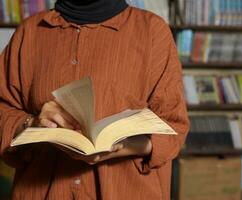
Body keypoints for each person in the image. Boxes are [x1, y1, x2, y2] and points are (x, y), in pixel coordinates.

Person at [0, 0, 189, 199]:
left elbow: (173, 127)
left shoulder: (152, 31)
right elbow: (4, 112)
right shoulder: (29, 32)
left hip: (127, 190)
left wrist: (122, 146)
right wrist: (33, 124)